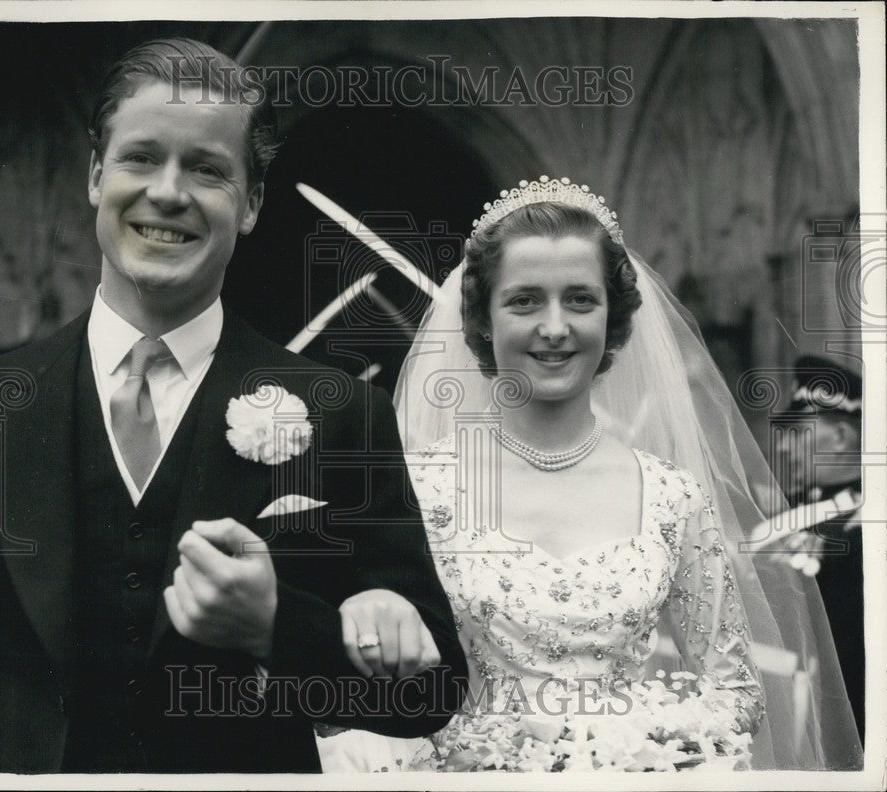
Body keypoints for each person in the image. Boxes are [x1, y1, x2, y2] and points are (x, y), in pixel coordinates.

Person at [0, 38, 467, 774]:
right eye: (142, 157)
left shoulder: (340, 413)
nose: (169, 192)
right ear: (95, 175)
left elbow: (431, 692)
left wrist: (279, 626)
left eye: (207, 169)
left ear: (253, 202)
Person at [329, 176, 863, 771]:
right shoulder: (421, 487)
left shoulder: (670, 496)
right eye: (524, 300)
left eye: (580, 299)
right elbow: (367, 683)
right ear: (482, 320)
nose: (554, 327)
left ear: (614, 319)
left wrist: (625, 751)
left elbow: (733, 692)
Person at [767, 355, 864, 743]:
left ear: (840, 438)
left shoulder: (864, 526)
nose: (786, 450)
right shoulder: (795, 508)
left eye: (798, 434)